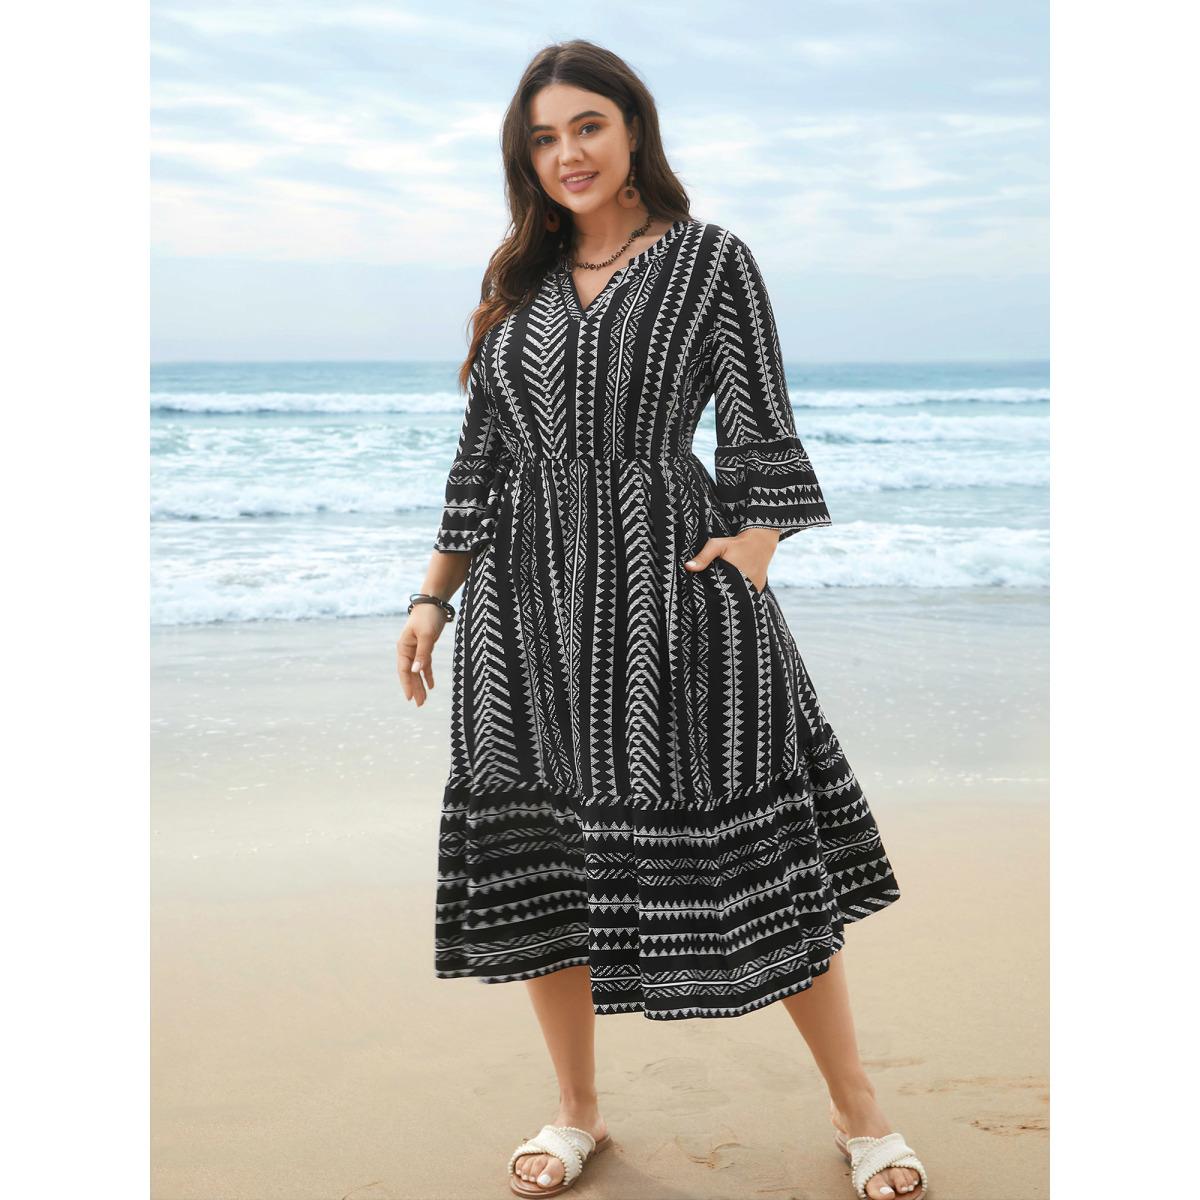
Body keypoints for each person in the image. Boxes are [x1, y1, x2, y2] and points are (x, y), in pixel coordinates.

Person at [396, 39, 930, 1200]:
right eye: (544, 138)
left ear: (633, 129)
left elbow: (759, 422)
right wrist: (434, 595)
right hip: (525, 610)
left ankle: (860, 1110)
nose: (568, 153)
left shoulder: (708, 259)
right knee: (546, 859)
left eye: (587, 126)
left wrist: (759, 544)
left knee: (756, 851)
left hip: (671, 597)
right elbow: (480, 459)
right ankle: (576, 1111)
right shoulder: (520, 282)